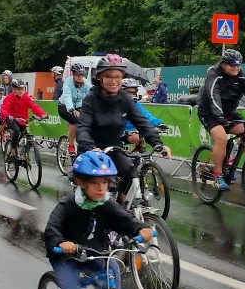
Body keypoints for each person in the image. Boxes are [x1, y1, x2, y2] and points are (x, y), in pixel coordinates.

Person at [41, 151, 152, 289]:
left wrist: (139, 228)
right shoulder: (67, 206)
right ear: (81, 182)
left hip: (93, 253)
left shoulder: (105, 204)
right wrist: (60, 243)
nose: (102, 188)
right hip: (66, 258)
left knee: (113, 269)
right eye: (95, 183)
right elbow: (51, 229)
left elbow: (124, 219)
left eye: (105, 183)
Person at [77, 54, 168, 198]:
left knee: (130, 173)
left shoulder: (124, 98)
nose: (114, 81)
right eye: (109, 77)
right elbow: (82, 129)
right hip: (92, 151)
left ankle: (122, 206)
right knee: (94, 194)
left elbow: (141, 122)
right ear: (100, 78)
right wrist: (91, 147)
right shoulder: (91, 99)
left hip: (113, 148)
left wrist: (158, 144)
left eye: (118, 77)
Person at [197, 49, 245, 191]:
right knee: (222, 138)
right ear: (223, 65)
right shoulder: (214, 73)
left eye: (238, 65)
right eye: (232, 65)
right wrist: (219, 116)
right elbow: (213, 95)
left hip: (229, 112)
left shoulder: (241, 76)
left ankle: (230, 162)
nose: (236, 68)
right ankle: (218, 175)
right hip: (210, 112)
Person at [0, 78, 47, 157]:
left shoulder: (26, 98)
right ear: (14, 89)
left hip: (22, 120)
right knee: (17, 131)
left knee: (26, 134)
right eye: (18, 89)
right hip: (12, 119)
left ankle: (25, 154)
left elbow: (34, 107)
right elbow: (4, 109)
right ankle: (13, 148)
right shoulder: (10, 97)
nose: (21, 91)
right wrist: (8, 116)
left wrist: (42, 114)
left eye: (22, 89)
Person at [121, 78, 164, 147]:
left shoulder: (136, 104)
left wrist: (159, 123)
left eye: (134, 92)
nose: (132, 95)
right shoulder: (115, 104)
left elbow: (146, 116)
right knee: (136, 138)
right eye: (129, 92)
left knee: (139, 139)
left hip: (131, 132)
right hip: (115, 135)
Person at [58, 63, 89, 154]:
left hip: (78, 105)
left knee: (86, 121)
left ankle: (82, 141)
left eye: (82, 75)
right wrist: (71, 109)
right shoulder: (68, 82)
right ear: (73, 74)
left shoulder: (85, 82)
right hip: (64, 106)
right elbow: (67, 95)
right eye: (77, 75)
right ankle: (71, 145)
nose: (80, 77)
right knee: (74, 121)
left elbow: (92, 93)